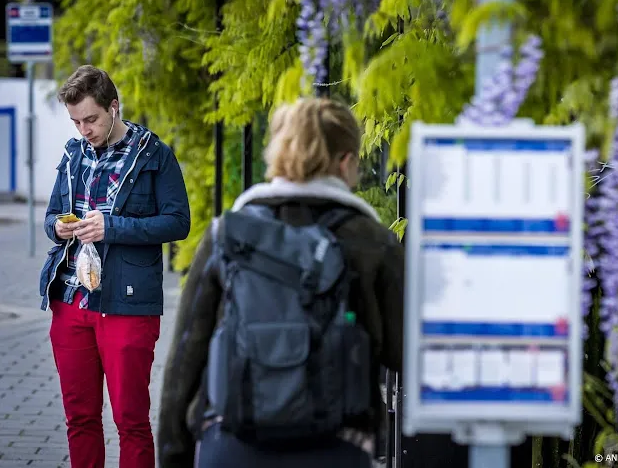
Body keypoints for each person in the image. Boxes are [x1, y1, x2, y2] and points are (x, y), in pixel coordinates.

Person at [157, 97, 404, 468]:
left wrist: (174, 456)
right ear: (346, 162)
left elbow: (185, 360)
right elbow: (404, 354)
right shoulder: (371, 240)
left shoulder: (227, 234)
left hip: (232, 446)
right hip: (335, 450)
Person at [38, 65, 191, 468]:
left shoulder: (154, 154)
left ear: (114, 106)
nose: (83, 129)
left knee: (131, 421)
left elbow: (178, 222)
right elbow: (52, 215)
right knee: (81, 418)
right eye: (75, 122)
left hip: (127, 305)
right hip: (71, 302)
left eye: (91, 119)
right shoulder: (73, 154)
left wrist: (113, 227)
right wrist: (57, 226)